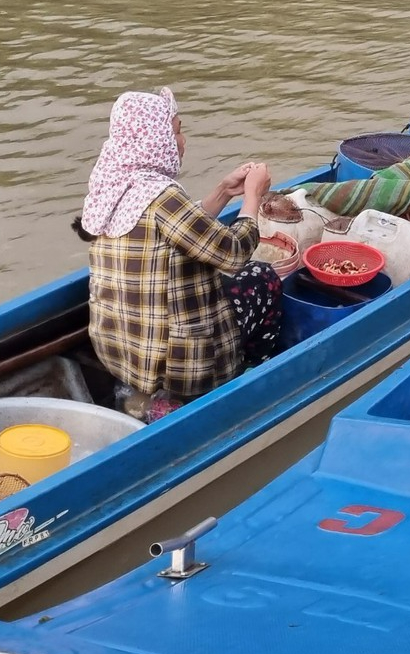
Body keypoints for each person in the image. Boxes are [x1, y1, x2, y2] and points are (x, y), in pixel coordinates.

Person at [79, 88, 282, 420]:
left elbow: (179, 231)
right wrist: (253, 198)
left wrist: (222, 191)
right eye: (175, 129)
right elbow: (234, 252)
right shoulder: (162, 197)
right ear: (155, 137)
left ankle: (142, 396)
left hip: (122, 354)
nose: (182, 139)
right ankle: (244, 373)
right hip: (183, 366)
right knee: (262, 278)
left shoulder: (113, 186)